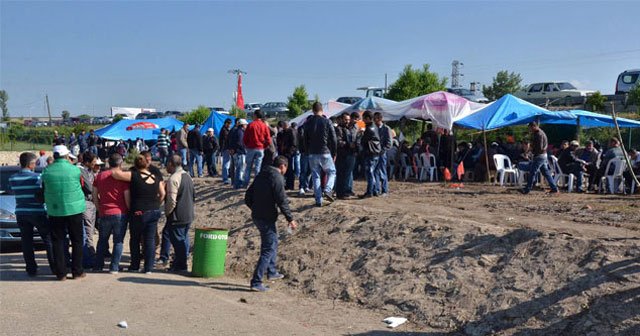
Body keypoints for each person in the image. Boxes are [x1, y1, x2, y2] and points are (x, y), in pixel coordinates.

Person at [244, 156, 297, 292]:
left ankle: (272, 271)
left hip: (258, 216)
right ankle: (256, 281)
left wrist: (255, 208)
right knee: (268, 248)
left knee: (272, 242)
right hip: (266, 217)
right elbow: (282, 200)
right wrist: (290, 218)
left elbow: (248, 196)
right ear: (283, 166)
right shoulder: (277, 178)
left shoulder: (262, 174)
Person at [41, 145, 86, 280]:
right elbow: (82, 185)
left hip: (55, 210)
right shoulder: (75, 170)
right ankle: (77, 271)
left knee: (58, 241)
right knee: (77, 240)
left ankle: (61, 273)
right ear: (67, 156)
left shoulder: (47, 171)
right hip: (75, 209)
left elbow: (43, 187)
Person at [9, 152, 56, 277]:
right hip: (37, 212)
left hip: (21, 212)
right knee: (48, 239)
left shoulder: (12, 178)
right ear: (30, 164)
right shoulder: (38, 177)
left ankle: (31, 268)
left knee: (26, 241)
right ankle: (54, 267)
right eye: (35, 163)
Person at [93, 153, 130, 274]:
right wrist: (129, 210)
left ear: (109, 163)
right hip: (120, 211)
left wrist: (99, 208)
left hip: (105, 211)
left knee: (102, 240)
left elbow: (94, 194)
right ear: (120, 163)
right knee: (118, 241)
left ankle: (98, 265)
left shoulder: (99, 176)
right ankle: (114, 267)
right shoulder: (122, 177)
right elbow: (126, 196)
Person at [128, 155, 165, 273]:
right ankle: (148, 267)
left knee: (135, 239)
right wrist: (156, 204)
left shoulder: (134, 176)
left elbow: (116, 174)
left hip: (139, 211)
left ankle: (135, 265)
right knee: (149, 240)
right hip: (153, 210)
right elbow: (162, 193)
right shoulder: (155, 177)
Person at [165, 154, 195, 273]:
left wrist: (167, 212)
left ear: (171, 164)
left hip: (178, 215)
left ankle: (181, 266)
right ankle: (180, 263)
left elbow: (172, 201)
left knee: (178, 241)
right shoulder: (188, 176)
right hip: (188, 213)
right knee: (183, 239)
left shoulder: (173, 179)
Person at [303, 102, 337, 207]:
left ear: (313, 110)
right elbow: (333, 138)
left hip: (312, 153)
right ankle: (327, 189)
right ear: (322, 110)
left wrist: (306, 151)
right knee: (332, 172)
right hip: (325, 151)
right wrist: (334, 152)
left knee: (315, 175)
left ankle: (318, 200)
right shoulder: (327, 121)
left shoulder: (307, 122)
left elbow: (304, 139)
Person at [521, 122, 558, 194]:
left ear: (534, 126)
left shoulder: (539, 134)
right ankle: (554, 188)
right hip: (543, 155)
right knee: (545, 172)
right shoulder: (540, 132)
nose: (530, 130)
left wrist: (532, 150)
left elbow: (540, 147)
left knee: (532, 172)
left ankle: (527, 189)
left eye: (530, 128)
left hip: (539, 156)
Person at [243, 110, 272, 188]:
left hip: (251, 148)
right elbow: (268, 139)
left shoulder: (250, 125)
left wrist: (247, 145)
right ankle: (257, 183)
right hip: (260, 148)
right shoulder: (264, 125)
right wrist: (264, 146)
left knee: (248, 166)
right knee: (257, 167)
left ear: (255, 115)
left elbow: (245, 138)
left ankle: (246, 183)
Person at [79, 152, 98, 267]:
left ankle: (90, 255)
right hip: (85, 203)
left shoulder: (90, 171)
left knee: (90, 229)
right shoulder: (81, 171)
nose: (95, 165)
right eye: (93, 162)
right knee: (87, 230)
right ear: (87, 162)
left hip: (91, 203)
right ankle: (89, 257)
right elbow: (89, 187)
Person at [359, 111, 382, 198]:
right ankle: (375, 190)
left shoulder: (369, 128)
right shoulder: (375, 127)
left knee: (370, 173)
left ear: (368, 118)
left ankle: (370, 192)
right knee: (373, 172)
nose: (363, 120)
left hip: (370, 153)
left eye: (364, 118)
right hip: (376, 153)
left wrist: (361, 134)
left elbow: (363, 140)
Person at [335, 113, 357, 199]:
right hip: (342, 154)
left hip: (351, 154)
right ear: (341, 119)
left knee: (348, 174)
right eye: (345, 120)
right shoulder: (338, 129)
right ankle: (340, 193)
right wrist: (348, 144)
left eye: (348, 119)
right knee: (341, 174)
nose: (347, 121)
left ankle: (346, 191)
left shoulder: (351, 129)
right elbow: (338, 141)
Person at [374, 112, 392, 196]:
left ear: (380, 119)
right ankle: (377, 190)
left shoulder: (386, 128)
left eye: (376, 118)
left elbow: (389, 143)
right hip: (374, 153)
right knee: (375, 172)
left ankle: (385, 190)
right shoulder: (374, 128)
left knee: (382, 171)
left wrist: (383, 150)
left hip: (382, 153)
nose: (374, 120)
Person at [229, 119, 248, 189]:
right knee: (240, 169)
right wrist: (244, 149)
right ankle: (238, 184)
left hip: (236, 152)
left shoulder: (235, 131)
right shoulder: (240, 132)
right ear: (243, 125)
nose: (246, 126)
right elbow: (240, 143)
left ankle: (236, 183)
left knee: (238, 168)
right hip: (240, 152)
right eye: (246, 125)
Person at [219, 119, 233, 184]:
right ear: (226, 123)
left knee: (226, 163)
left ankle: (226, 177)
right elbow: (226, 141)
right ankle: (225, 178)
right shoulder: (224, 130)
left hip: (225, 148)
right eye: (229, 123)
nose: (230, 125)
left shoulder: (225, 129)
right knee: (226, 163)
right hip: (226, 148)